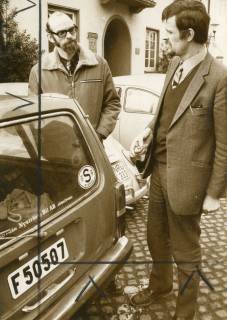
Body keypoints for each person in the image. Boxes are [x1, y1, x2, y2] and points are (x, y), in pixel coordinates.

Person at [130, 1, 227, 319]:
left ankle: (185, 314)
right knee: (155, 237)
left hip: (188, 181)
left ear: (188, 34)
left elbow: (225, 144)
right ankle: (160, 286)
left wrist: (213, 194)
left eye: (169, 33)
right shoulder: (174, 64)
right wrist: (147, 129)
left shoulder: (219, 78)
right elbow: (166, 112)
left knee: (186, 252)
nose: (165, 38)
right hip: (158, 171)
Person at [28, 11, 121, 141]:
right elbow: (34, 114)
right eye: (62, 33)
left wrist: (100, 134)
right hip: (56, 150)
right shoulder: (39, 71)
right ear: (50, 37)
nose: (70, 36)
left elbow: (113, 103)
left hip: (93, 147)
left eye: (72, 30)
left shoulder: (99, 64)